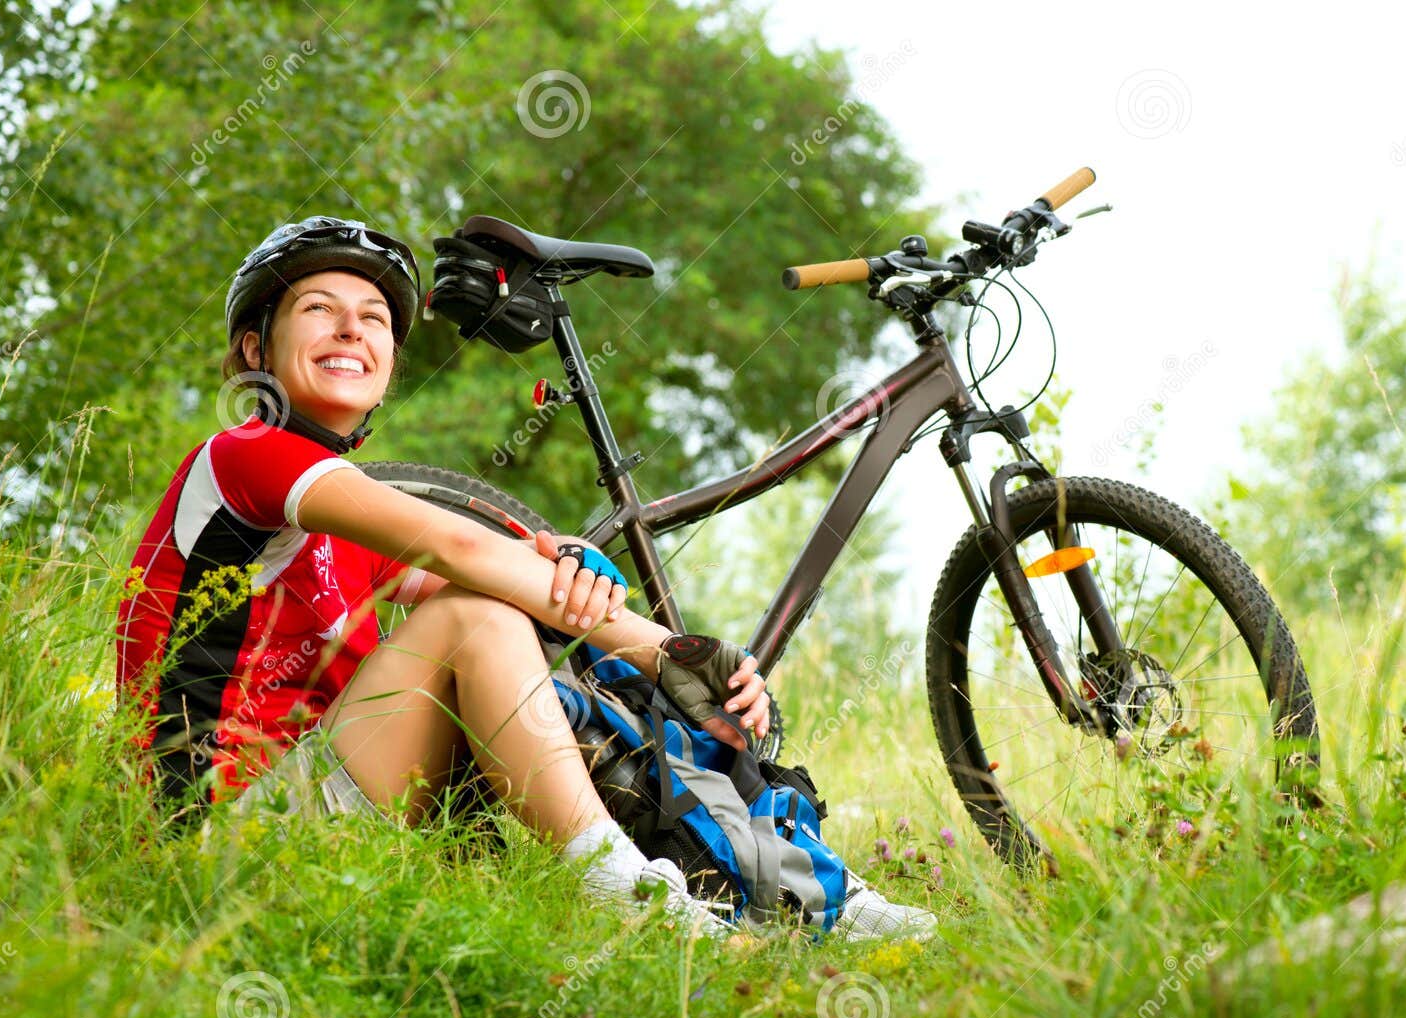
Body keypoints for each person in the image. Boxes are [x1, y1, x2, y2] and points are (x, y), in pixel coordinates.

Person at [115, 215, 935, 941]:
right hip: (218, 833)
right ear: (257, 349)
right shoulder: (245, 455)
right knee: (485, 621)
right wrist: (672, 650)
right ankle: (622, 890)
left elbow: (522, 601)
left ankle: (799, 884)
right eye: (318, 311)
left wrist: (690, 660)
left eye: (373, 320)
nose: (350, 331)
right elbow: (468, 561)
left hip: (321, 815)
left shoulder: (341, 521)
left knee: (585, 670)